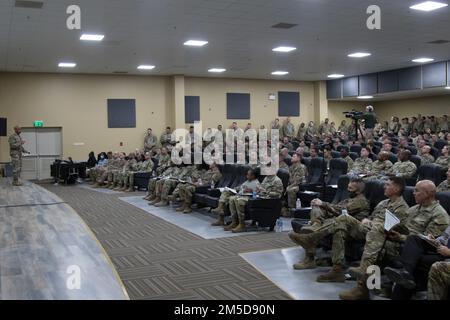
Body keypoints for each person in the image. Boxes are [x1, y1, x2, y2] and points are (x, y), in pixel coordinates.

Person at [339, 180, 449, 300]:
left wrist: (400, 237)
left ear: (428, 193)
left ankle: (364, 287)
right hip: (399, 241)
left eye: (417, 191)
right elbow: (404, 228)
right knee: (377, 236)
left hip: (411, 251)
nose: (413, 193)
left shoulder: (439, 215)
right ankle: (368, 285)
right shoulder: (414, 208)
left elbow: (426, 243)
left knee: (377, 246)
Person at [293, 177, 409, 282]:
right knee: (340, 229)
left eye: (388, 184)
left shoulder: (401, 208)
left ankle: (311, 238)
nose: (384, 186)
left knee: (344, 218)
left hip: (378, 234)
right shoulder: (383, 203)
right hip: (367, 228)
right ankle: (336, 270)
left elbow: (390, 227)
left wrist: (370, 222)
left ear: (397, 188)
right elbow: (371, 217)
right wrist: (367, 219)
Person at [288, 178, 370, 269]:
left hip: (349, 229)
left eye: (350, 188)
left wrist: (323, 204)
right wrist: (319, 205)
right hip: (336, 221)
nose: (347, 190)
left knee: (325, 216)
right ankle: (315, 226)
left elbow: (341, 211)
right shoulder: (349, 199)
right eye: (348, 187)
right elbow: (335, 208)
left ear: (358, 191)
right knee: (316, 207)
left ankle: (310, 245)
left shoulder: (361, 201)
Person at [383, 224, 450, 300]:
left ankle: (405, 272)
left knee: (413, 260)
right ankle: (405, 271)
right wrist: (434, 240)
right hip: (440, 248)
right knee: (413, 239)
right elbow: (445, 239)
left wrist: (449, 252)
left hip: (447, 258)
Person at [228, 168, 283, 233]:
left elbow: (278, 194)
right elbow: (261, 188)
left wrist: (266, 192)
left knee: (240, 201)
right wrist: (258, 190)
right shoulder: (266, 178)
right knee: (234, 199)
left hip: (269, 200)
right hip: (260, 197)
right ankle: (235, 222)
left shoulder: (277, 180)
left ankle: (242, 225)